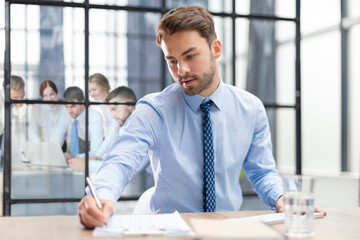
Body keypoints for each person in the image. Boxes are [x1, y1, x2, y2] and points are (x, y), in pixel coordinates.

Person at [78, 6, 326, 228]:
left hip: (226, 229)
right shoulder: (154, 110)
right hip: (166, 231)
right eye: (172, 61)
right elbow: (121, 161)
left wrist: (282, 197)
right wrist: (102, 196)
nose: (181, 71)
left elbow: (261, 172)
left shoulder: (251, 109)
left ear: (215, 49)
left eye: (190, 56)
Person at [63, 86, 104, 172]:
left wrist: (76, 157)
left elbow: (96, 151)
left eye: (72, 106)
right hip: (75, 161)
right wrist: (68, 155)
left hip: (93, 161)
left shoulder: (95, 117)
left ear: (83, 103)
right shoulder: (70, 117)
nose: (69, 110)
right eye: (66, 106)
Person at [28, 80, 69, 146]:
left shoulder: (64, 109)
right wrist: (41, 148)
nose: (49, 98)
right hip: (39, 147)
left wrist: (51, 150)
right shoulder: (36, 107)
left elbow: (60, 133)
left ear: (56, 93)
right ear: (42, 97)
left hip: (57, 147)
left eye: (51, 94)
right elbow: (33, 131)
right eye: (45, 95)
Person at [88, 73, 119, 160]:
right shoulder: (102, 103)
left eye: (94, 89)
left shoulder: (113, 103)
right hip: (114, 148)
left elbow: (113, 132)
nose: (91, 94)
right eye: (89, 91)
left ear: (104, 87)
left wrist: (98, 155)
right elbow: (110, 131)